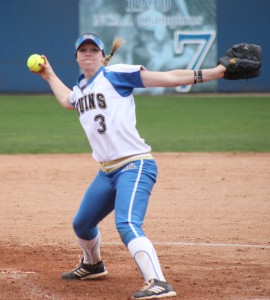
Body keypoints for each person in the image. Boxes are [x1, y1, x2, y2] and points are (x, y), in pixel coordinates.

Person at [34, 32, 226, 299]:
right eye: (83, 51)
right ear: (77, 57)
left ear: (103, 56)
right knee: (82, 224)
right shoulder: (82, 88)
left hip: (135, 165)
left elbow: (168, 78)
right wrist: (49, 76)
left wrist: (216, 72)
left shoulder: (116, 75)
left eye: (93, 50)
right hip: (107, 172)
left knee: (126, 224)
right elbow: (69, 101)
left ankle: (158, 281)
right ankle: (93, 264)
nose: (88, 54)